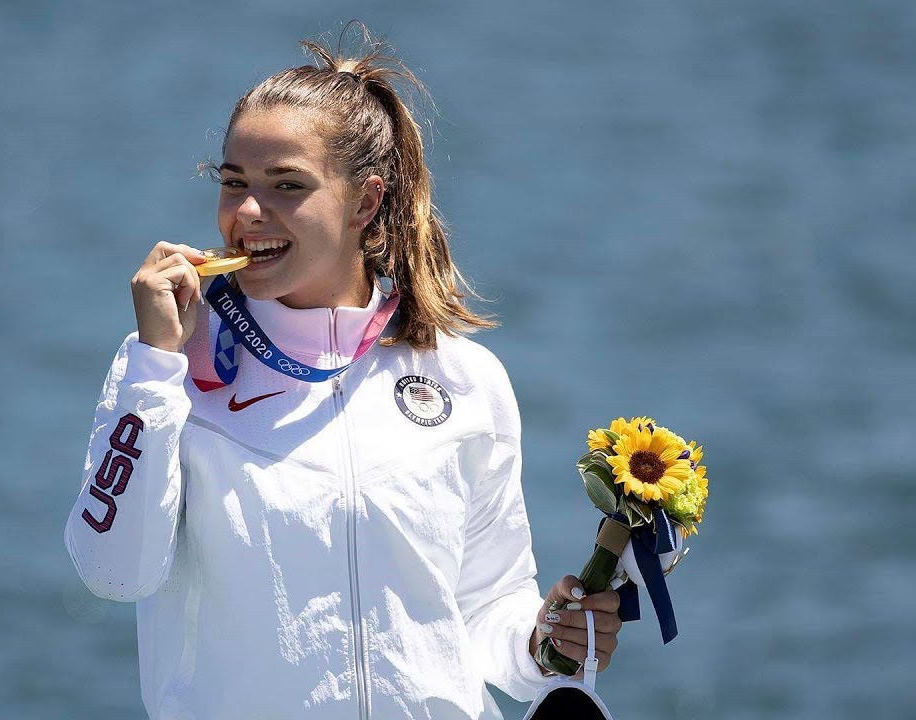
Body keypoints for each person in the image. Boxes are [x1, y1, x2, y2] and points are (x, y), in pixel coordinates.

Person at [65, 23, 623, 720]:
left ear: (365, 201)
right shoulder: (166, 365)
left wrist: (544, 641)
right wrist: (155, 366)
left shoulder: (464, 379)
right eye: (234, 183)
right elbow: (112, 571)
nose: (247, 213)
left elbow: (486, 610)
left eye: (286, 186)